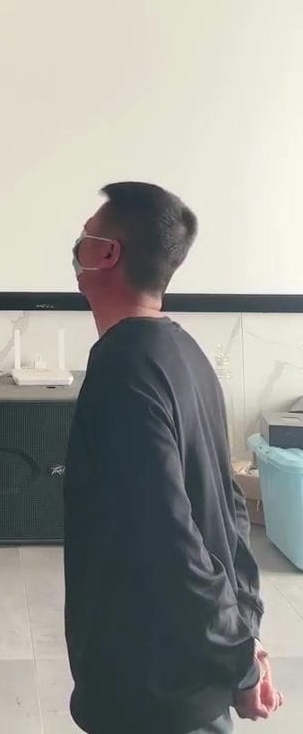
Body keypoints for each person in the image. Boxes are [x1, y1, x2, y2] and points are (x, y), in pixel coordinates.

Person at [64, 182, 283, 734]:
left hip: (150, 690)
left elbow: (168, 536)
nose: (77, 246)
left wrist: (239, 657)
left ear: (107, 254)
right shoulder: (186, 353)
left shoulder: (123, 369)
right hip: (192, 679)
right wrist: (244, 636)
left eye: (85, 235)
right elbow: (230, 512)